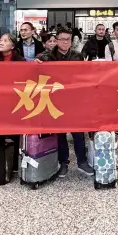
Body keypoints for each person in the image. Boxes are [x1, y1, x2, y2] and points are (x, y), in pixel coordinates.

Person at [36, 28, 94, 177]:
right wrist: (35, 64)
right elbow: (36, 72)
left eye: (68, 39)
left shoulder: (78, 56)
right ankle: (63, 162)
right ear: (56, 40)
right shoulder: (47, 56)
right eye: (62, 39)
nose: (65, 42)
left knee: (78, 133)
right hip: (55, 100)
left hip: (74, 100)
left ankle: (82, 162)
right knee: (60, 133)